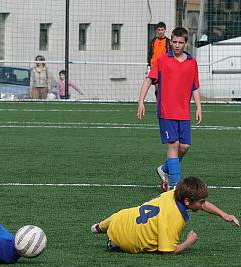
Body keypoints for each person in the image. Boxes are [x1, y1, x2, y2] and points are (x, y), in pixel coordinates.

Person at [91, 176, 240, 254]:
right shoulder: (173, 218)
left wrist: (224, 215)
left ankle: (99, 227)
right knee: (140, 240)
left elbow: (201, 204)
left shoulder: (173, 193)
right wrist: (189, 241)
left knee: (121, 214)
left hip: (122, 219)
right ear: (187, 201)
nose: (203, 205)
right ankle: (115, 241)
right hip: (127, 242)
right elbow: (167, 251)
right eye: (201, 202)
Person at [137, 27, 202, 191]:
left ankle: (164, 169)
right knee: (173, 145)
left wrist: (199, 107)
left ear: (186, 43)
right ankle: (175, 185)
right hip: (166, 111)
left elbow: (194, 87)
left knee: (184, 146)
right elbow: (148, 81)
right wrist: (141, 102)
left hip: (184, 112)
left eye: (181, 42)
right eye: (174, 42)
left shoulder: (192, 62)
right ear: (170, 42)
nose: (177, 45)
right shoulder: (162, 60)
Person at [147, 22, 171, 98]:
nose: (160, 31)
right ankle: (158, 104)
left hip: (164, 67)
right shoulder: (153, 41)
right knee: (157, 87)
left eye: (162, 30)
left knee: (164, 87)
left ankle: (164, 104)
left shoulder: (168, 42)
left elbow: (170, 54)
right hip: (155, 67)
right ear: (156, 31)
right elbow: (150, 53)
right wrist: (149, 65)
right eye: (159, 30)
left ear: (165, 30)